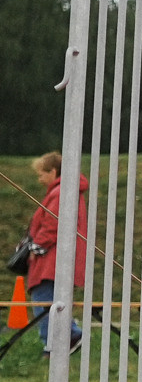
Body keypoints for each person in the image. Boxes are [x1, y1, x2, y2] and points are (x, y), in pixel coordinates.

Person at [20, 152, 88, 355]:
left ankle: (62, 340)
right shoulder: (64, 191)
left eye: (41, 174)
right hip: (57, 257)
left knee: (44, 301)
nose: (39, 179)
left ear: (53, 171)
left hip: (51, 259)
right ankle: (61, 340)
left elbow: (52, 224)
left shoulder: (60, 193)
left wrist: (35, 247)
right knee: (51, 301)